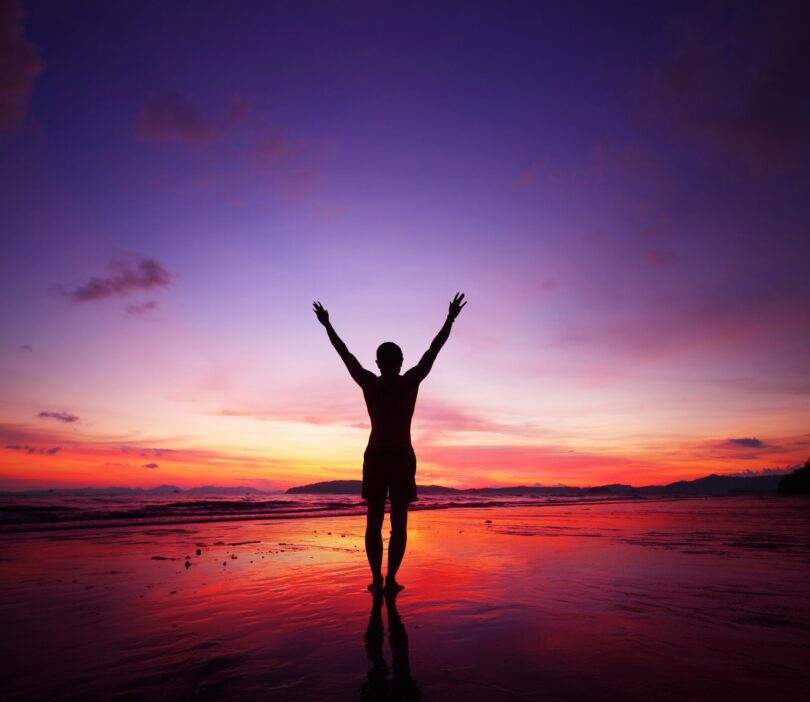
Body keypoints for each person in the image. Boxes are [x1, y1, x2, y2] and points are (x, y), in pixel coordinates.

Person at [313, 293, 467, 595]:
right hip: (401, 457)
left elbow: (345, 354)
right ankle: (391, 579)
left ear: (378, 363)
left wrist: (327, 325)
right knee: (399, 522)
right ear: (400, 362)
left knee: (374, 521)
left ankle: (377, 578)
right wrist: (449, 319)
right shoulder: (410, 381)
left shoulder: (370, 382)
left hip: (377, 456)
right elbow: (432, 351)